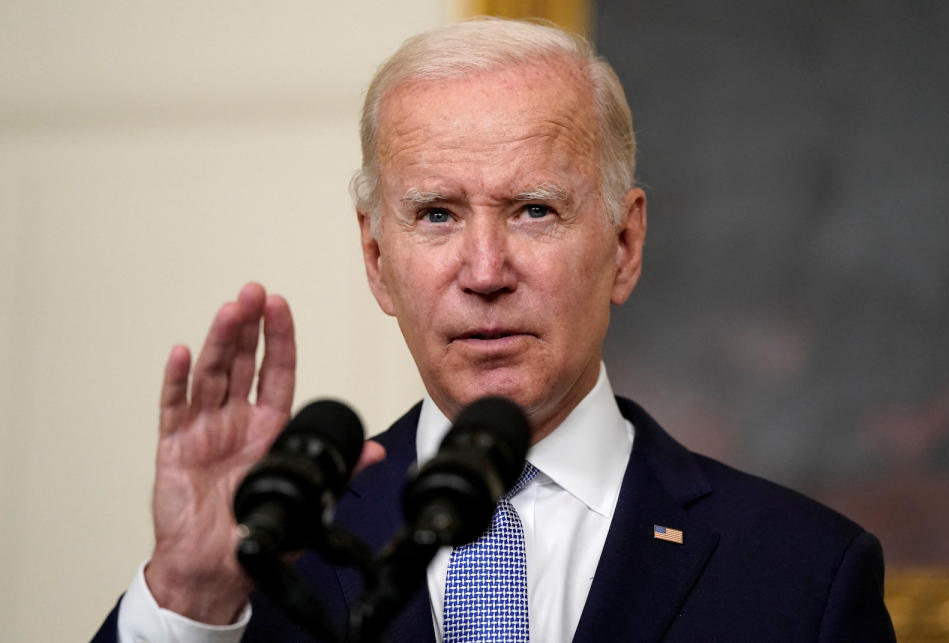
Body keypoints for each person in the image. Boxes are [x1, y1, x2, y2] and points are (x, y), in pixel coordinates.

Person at [94, 17, 895, 642]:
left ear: (624, 244)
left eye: (534, 210)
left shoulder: (804, 573)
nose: (484, 270)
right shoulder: (272, 550)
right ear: (377, 258)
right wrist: (188, 598)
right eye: (437, 214)